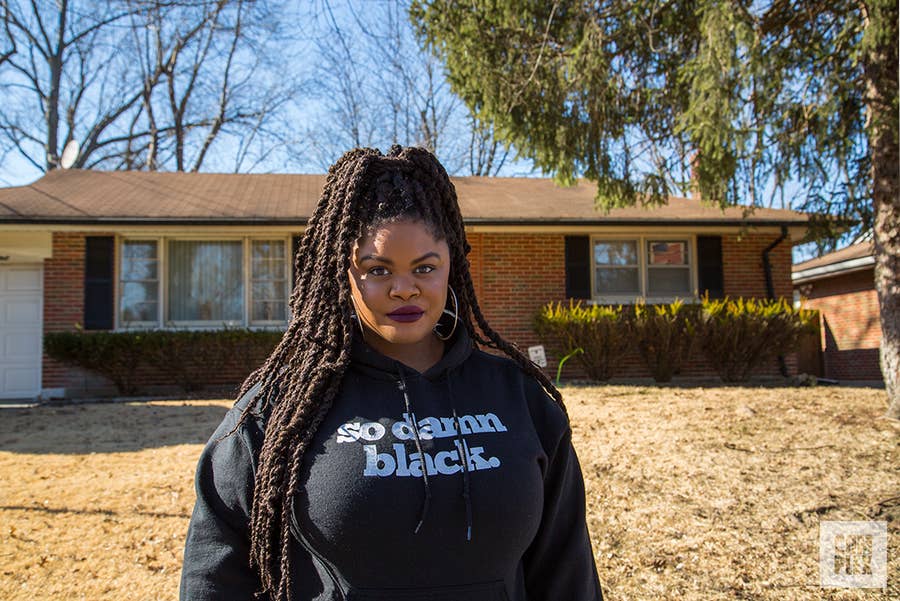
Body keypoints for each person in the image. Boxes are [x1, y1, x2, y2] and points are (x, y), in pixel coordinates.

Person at [180, 146, 603, 601]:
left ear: (452, 266)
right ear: (341, 273)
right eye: (377, 270)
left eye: (424, 267)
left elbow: (567, 573)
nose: (404, 288)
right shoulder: (279, 412)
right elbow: (215, 577)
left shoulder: (520, 399)